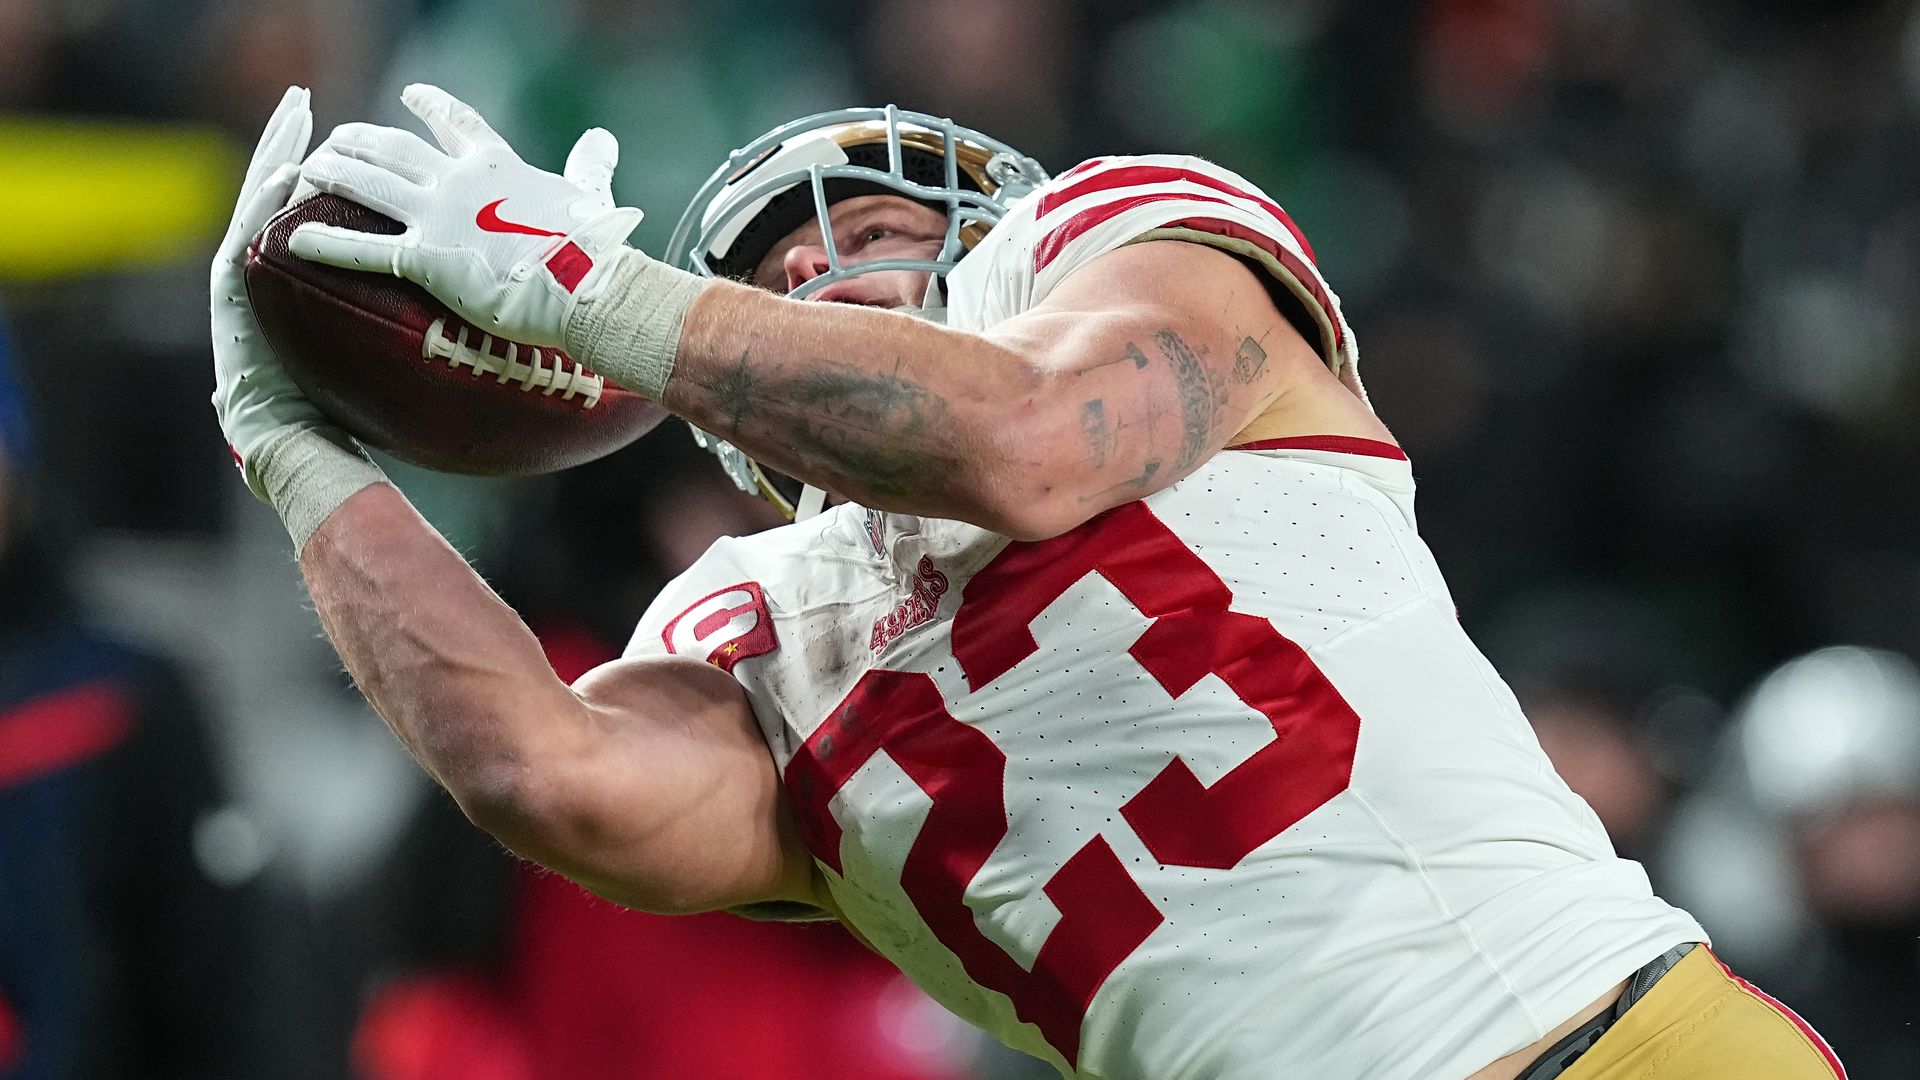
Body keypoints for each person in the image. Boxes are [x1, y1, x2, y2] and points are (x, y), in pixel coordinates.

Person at [208, 86, 1844, 1079]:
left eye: (854, 223)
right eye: (771, 274)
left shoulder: (1129, 250)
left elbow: (1034, 442)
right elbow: (538, 769)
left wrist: (605, 296)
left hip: (1593, 1044)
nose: (809, 268)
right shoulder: (754, 622)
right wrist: (296, 450)